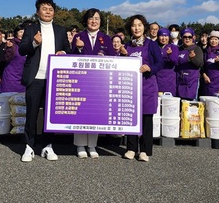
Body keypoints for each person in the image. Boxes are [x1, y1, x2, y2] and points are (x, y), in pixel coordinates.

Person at [19, 0, 71, 162]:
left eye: (50, 9)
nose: (47, 12)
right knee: (32, 114)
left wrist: (63, 52)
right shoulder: (31, 29)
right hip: (35, 78)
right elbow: (22, 50)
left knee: (50, 115)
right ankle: (29, 146)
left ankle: (47, 146)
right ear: (37, 12)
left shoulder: (61, 30)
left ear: (54, 12)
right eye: (44, 9)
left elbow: (67, 49)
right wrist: (34, 43)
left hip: (54, 80)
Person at [70, 8, 115, 159]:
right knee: (81, 112)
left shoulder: (106, 38)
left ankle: (92, 145)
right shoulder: (79, 36)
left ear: (100, 21)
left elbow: (113, 58)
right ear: (86, 21)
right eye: (91, 18)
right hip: (81, 81)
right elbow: (71, 58)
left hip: (99, 82)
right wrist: (79, 48)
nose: (94, 21)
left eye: (97, 18)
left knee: (95, 111)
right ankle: (80, 145)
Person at [119, 14, 163, 162]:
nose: (136, 28)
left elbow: (160, 63)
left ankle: (144, 150)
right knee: (131, 118)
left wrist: (150, 68)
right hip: (130, 87)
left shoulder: (151, 44)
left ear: (144, 27)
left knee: (146, 119)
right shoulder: (127, 45)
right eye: (133, 25)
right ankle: (131, 148)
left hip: (147, 86)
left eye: (139, 25)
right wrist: (122, 56)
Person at [176, 27, 204, 100]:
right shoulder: (178, 49)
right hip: (179, 81)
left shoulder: (197, 49)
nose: (187, 39)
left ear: (193, 37)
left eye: (189, 37)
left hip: (191, 82)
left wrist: (192, 58)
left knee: (189, 103)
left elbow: (200, 63)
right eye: (185, 37)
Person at [0, 23, 28, 93]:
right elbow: (6, 58)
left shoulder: (28, 44)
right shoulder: (11, 44)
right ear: (16, 33)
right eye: (20, 32)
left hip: (23, 77)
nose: (22, 34)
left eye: (24, 32)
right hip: (11, 77)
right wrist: (8, 49)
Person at [201, 30, 219, 96]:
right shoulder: (205, 51)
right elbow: (202, 66)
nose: (213, 41)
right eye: (212, 39)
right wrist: (204, 76)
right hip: (208, 80)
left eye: (216, 39)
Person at [156, 28, 178, 96]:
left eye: (166, 36)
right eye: (161, 36)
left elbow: (175, 61)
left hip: (169, 79)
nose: (164, 38)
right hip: (157, 78)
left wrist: (169, 55)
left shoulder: (173, 47)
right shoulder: (154, 47)